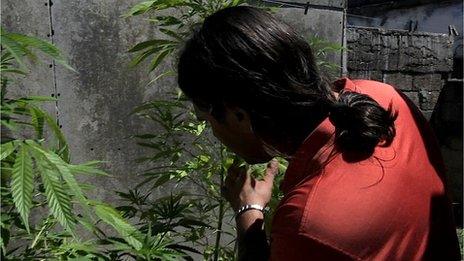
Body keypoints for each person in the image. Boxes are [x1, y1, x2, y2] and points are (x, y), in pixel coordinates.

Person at [177, 5, 461, 260]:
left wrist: (248, 212)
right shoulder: (386, 99)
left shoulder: (306, 226)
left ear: (237, 114)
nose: (213, 133)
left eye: (208, 119)